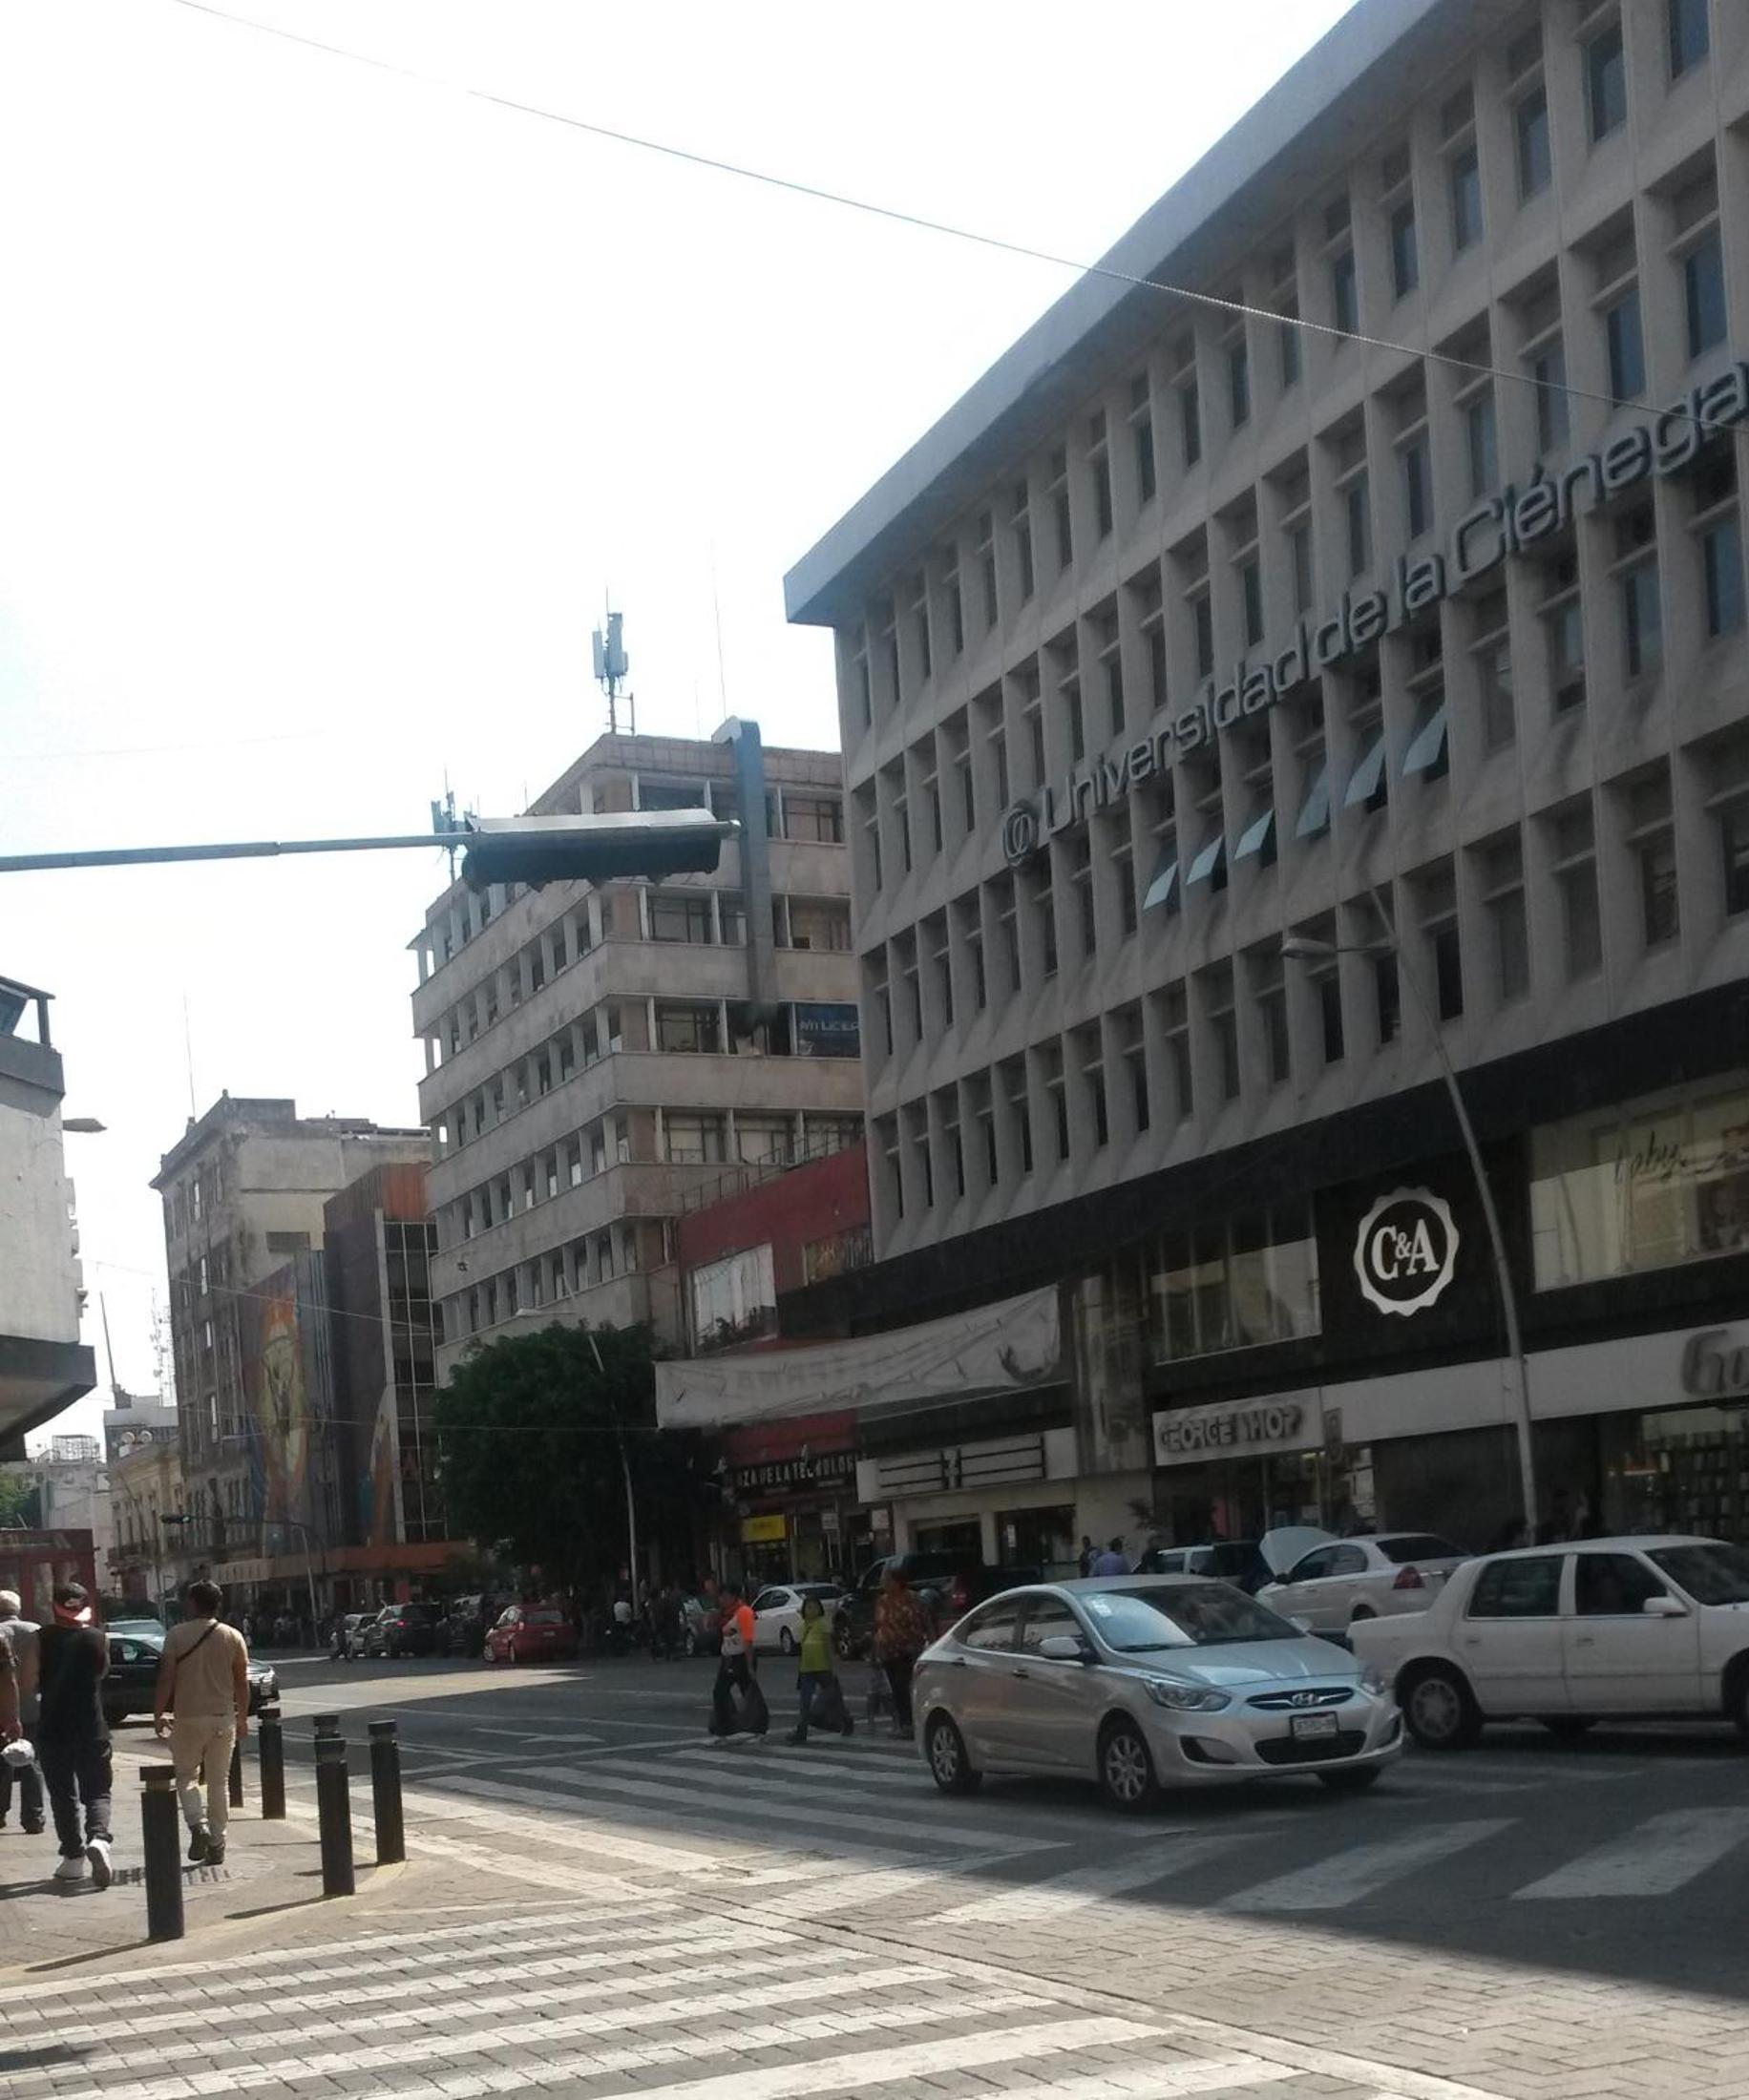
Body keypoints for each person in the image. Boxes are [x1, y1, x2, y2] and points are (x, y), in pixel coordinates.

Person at [155, 1579, 251, 1867]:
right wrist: (243, 1717)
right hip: (223, 1718)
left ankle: (198, 1825)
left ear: (193, 1602)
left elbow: (166, 1678)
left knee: (186, 1776)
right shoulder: (233, 1636)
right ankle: (218, 1842)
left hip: (187, 1717)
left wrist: (158, 1712)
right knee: (219, 1782)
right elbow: (242, 1682)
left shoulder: (176, 1635)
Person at [34, 1582, 113, 1887]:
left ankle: (72, 1857)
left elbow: (29, 1680)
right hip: (92, 1727)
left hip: (53, 1728)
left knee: (62, 1795)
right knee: (97, 1791)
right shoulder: (98, 1638)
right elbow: (101, 1673)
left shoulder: (41, 1638)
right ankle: (99, 1838)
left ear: (55, 1606)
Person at [0, 1590, 45, 1835]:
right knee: (31, 1762)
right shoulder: (36, 1631)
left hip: (2, 1710)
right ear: (17, 1609)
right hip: (33, 1707)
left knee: (1, 1763)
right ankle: (33, 1816)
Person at [872, 1568, 931, 1739]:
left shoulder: (913, 1599)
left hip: (908, 1649)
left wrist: (929, 1641)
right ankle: (904, 1723)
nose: (885, 1583)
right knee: (896, 1689)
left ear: (898, 1582)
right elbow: (879, 1626)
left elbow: (925, 1621)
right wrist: (876, 1649)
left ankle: (912, 1723)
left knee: (905, 1686)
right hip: (888, 1650)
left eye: (888, 1580)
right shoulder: (882, 1601)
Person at [788, 1593, 851, 1745]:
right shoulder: (803, 1625)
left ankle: (846, 1720)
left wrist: (832, 1665)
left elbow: (828, 1647)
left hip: (823, 1667)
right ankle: (801, 1731)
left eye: (814, 1607)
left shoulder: (822, 1624)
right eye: (808, 1607)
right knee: (804, 1702)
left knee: (832, 1697)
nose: (811, 1610)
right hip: (806, 1668)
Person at [709, 1583, 758, 1738]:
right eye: (721, 1597)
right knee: (719, 1692)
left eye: (725, 1597)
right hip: (728, 1658)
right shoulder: (725, 1614)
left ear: (734, 1597)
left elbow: (748, 1640)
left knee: (748, 1693)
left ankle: (756, 1727)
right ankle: (726, 1726)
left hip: (741, 1658)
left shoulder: (744, 1612)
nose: (722, 1600)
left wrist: (750, 1665)